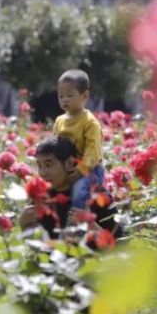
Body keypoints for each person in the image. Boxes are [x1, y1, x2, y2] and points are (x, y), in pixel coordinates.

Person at [18, 136, 121, 314]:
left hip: (87, 290)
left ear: (70, 163)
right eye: (39, 165)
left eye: (49, 164)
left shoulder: (96, 197)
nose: (43, 172)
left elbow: (120, 246)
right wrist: (23, 225)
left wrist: (93, 228)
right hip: (51, 289)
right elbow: (35, 247)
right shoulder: (40, 198)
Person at [52, 69, 104, 211]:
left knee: (78, 192)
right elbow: (54, 148)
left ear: (84, 96)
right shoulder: (59, 121)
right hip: (67, 169)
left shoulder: (90, 123)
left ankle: (80, 222)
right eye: (61, 96)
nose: (64, 100)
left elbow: (93, 153)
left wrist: (80, 170)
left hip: (89, 171)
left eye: (69, 95)